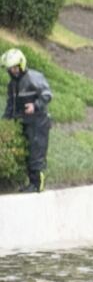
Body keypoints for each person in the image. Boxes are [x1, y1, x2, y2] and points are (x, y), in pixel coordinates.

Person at [2, 48, 52, 193]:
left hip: (38, 122)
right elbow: (11, 105)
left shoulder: (33, 78)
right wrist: (6, 121)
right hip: (23, 122)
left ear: (22, 65)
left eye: (15, 68)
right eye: (10, 69)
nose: (13, 72)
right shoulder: (12, 85)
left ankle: (37, 185)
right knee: (27, 154)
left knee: (36, 153)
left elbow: (47, 94)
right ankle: (30, 183)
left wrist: (35, 106)